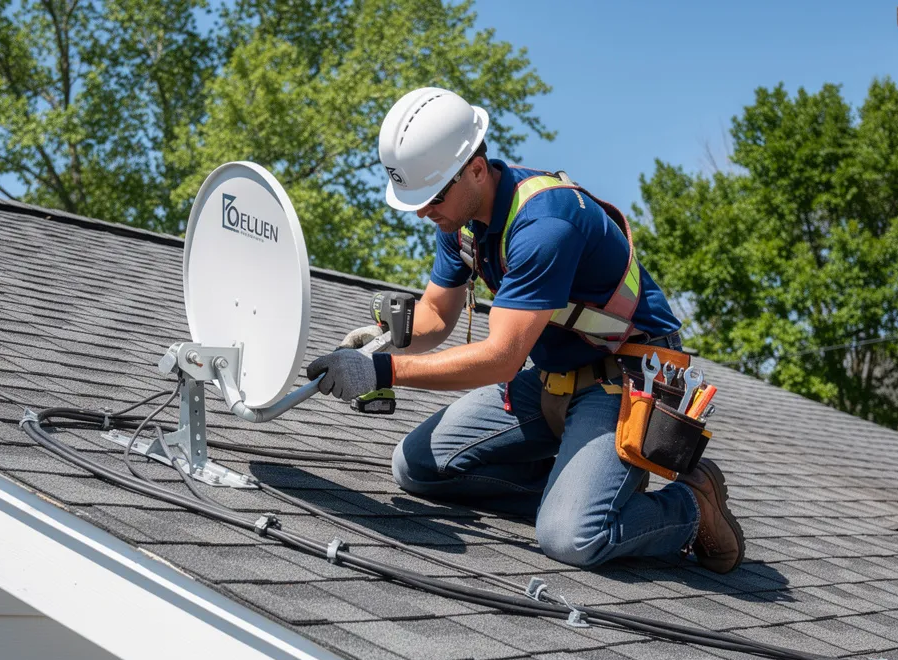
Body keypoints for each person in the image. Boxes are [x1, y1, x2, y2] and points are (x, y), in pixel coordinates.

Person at [308, 87, 743, 573]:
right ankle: (573, 482)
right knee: (416, 468)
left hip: (627, 379)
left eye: (431, 198)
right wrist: (384, 340)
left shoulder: (544, 224)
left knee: (573, 537)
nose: (422, 212)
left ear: (475, 168)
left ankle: (690, 507)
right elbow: (435, 313)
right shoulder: (461, 222)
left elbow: (502, 357)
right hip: (553, 378)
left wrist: (381, 372)